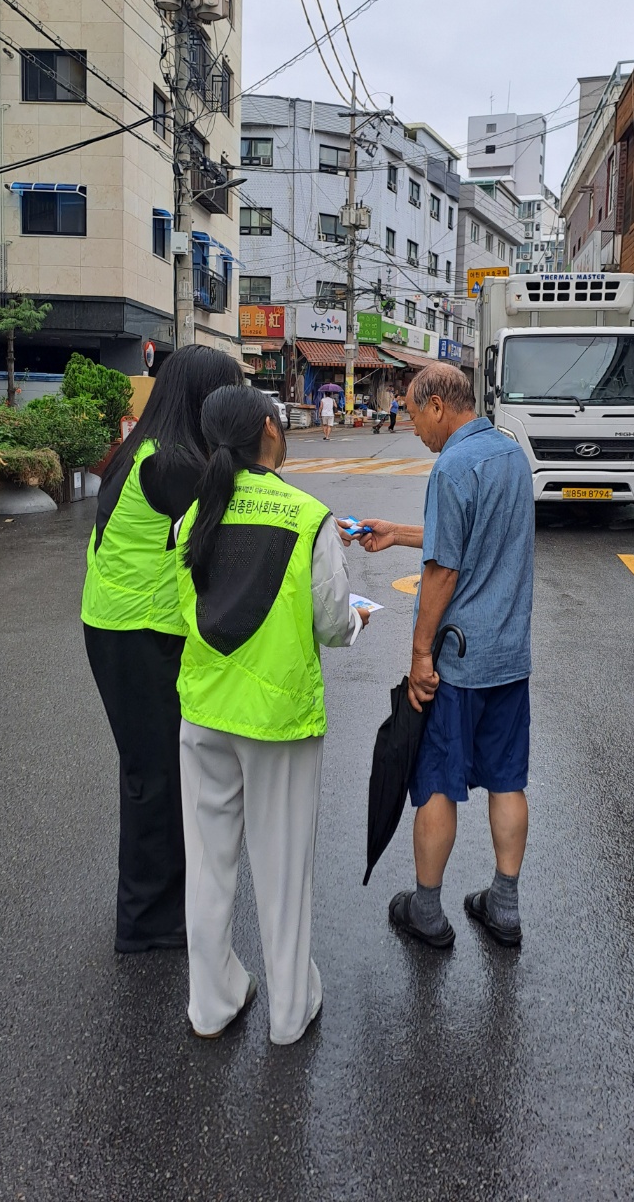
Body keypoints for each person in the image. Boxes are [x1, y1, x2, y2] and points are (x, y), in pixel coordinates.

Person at [175, 386, 367, 1044]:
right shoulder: (307, 516)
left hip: (204, 712)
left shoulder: (192, 516)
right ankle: (289, 1014)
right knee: (282, 871)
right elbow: (333, 624)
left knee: (208, 866)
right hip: (279, 719)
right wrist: (357, 620)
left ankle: (211, 1005)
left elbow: (184, 609)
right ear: (268, 428)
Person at [339, 363, 534, 950]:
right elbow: (472, 536)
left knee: (436, 784)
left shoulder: (452, 466)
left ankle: (426, 910)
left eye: (413, 413)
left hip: (460, 657)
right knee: (507, 780)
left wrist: (421, 653)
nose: (413, 426)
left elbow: (445, 568)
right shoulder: (511, 455)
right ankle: (504, 905)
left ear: (438, 407)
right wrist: (397, 532)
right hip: (509, 654)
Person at [81, 344, 244, 953]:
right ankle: (147, 921)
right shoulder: (173, 463)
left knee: (158, 768)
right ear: (205, 399)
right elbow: (232, 531)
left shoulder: (148, 447)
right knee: (153, 773)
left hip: (120, 626)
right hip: (136, 633)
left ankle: (161, 902)